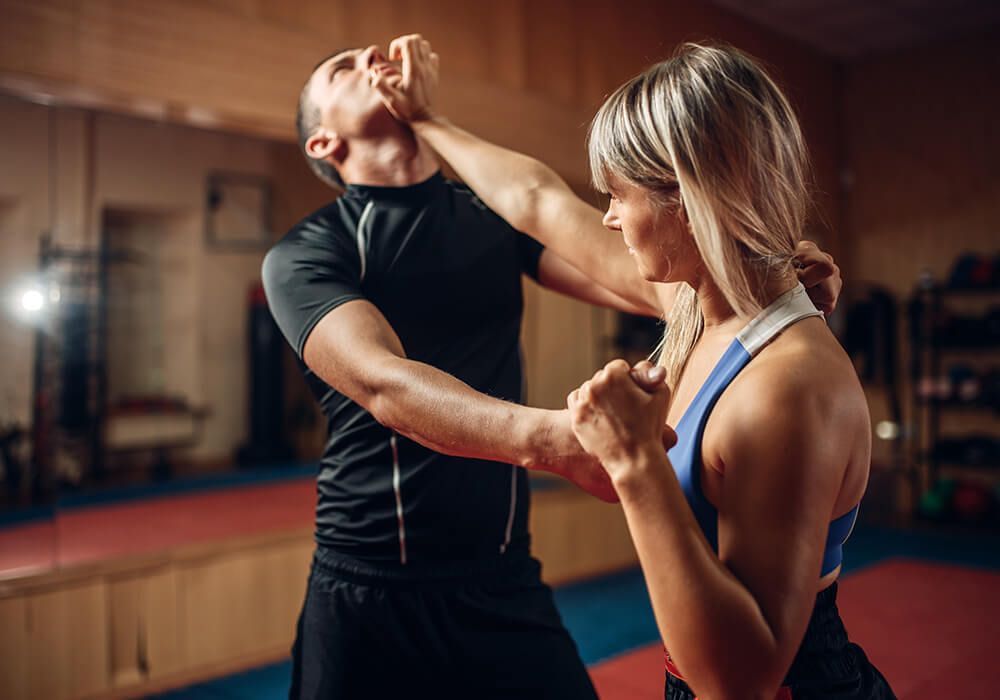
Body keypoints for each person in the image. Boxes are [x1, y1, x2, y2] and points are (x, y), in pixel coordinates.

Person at [264, 42, 843, 700]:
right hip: (369, 578)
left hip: (500, 571)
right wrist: (561, 441)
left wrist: (762, 267)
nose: (370, 57)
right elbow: (382, 384)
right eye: (343, 68)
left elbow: (635, 268)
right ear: (322, 144)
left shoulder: (486, 217)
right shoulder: (306, 253)